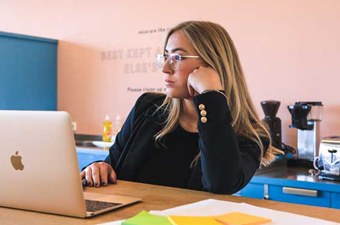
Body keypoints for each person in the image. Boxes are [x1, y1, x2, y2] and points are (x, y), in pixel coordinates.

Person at [80, 21, 282, 194]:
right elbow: (111, 166)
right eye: (165, 56)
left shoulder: (250, 135)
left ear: (211, 65)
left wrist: (211, 96)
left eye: (177, 58)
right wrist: (99, 168)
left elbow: (221, 185)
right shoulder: (147, 108)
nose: (166, 68)